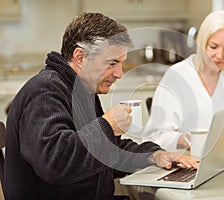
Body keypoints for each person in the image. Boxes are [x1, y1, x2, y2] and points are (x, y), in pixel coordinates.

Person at [3, 12, 199, 200]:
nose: (119, 73)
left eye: (121, 63)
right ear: (80, 57)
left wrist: (153, 155)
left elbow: (104, 152)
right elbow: (56, 164)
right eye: (112, 63)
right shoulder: (44, 93)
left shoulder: (80, 90)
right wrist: (108, 125)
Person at [142, 10, 224, 151]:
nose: (219, 55)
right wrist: (186, 139)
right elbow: (154, 136)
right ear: (202, 42)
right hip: (187, 163)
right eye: (213, 47)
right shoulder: (177, 75)